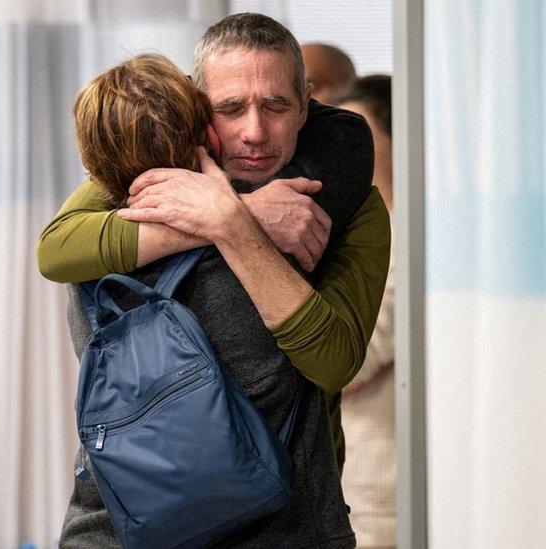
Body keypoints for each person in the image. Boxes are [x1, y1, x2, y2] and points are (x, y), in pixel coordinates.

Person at [39, 14, 390, 548]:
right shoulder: (128, 186)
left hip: (288, 523)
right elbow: (55, 249)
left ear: (306, 106)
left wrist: (230, 222)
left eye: (276, 106)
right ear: (199, 110)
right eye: (230, 109)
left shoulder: (347, 207)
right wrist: (233, 214)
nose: (254, 131)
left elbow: (334, 360)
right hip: (120, 522)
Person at [334, 74, 396, 548]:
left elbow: (346, 363)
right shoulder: (345, 235)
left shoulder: (409, 241)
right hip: (343, 483)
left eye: (362, 132)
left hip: (382, 493)